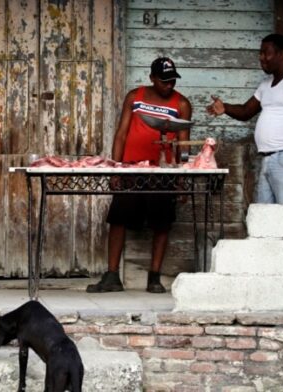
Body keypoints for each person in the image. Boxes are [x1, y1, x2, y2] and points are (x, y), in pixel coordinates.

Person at [86, 57, 192, 294]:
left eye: (172, 80)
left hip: (163, 171)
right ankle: (112, 275)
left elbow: (184, 144)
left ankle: (154, 277)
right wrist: (116, 166)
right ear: (152, 78)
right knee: (118, 218)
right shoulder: (135, 97)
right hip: (132, 169)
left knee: (162, 222)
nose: (169, 84)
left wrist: (183, 178)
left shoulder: (182, 104)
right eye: (164, 80)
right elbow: (121, 134)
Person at [206, 33, 283, 203]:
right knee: (265, 218)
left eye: (266, 53)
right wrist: (225, 108)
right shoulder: (265, 85)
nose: (261, 58)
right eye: (260, 53)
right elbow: (246, 111)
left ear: (281, 54)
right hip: (267, 159)